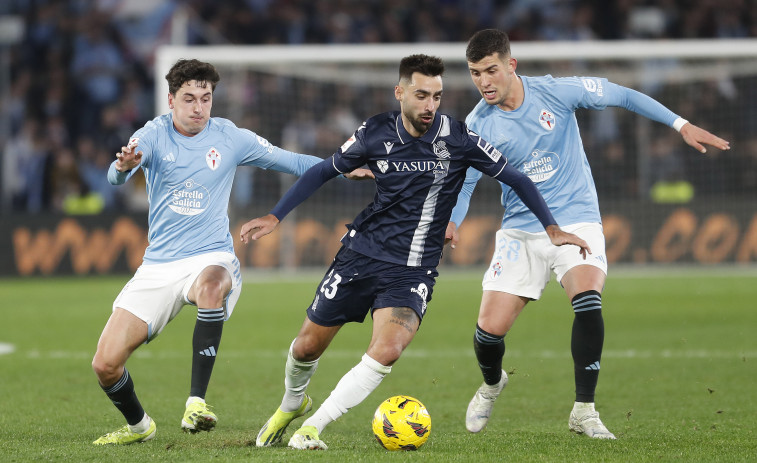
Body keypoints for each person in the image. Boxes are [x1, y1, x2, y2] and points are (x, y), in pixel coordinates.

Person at [240, 54, 590, 450]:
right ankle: (292, 404)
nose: (430, 106)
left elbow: (517, 177)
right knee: (306, 346)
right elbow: (324, 170)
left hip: (412, 270)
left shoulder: (457, 138)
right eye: (421, 95)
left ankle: (313, 428)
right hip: (361, 256)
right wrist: (275, 216)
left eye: (437, 96)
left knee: (387, 349)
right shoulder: (374, 132)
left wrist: (552, 228)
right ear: (400, 92)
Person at [447, 29, 731, 439]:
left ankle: (584, 410)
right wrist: (454, 219)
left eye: (491, 70)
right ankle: (492, 384)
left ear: (511, 65)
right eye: (475, 73)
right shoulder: (478, 124)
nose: (484, 82)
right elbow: (467, 183)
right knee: (488, 333)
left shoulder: (557, 93)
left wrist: (679, 123)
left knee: (587, 297)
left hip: (576, 217)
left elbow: (622, 95)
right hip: (522, 230)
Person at [90, 58, 371, 445]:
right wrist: (123, 168)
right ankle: (140, 427)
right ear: (170, 100)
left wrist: (340, 167)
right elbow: (114, 176)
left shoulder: (230, 137)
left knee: (210, 287)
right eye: (189, 99)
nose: (198, 108)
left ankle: (196, 403)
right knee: (105, 365)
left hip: (212, 258)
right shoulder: (153, 135)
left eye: (206, 99)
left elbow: (288, 161)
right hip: (158, 265)